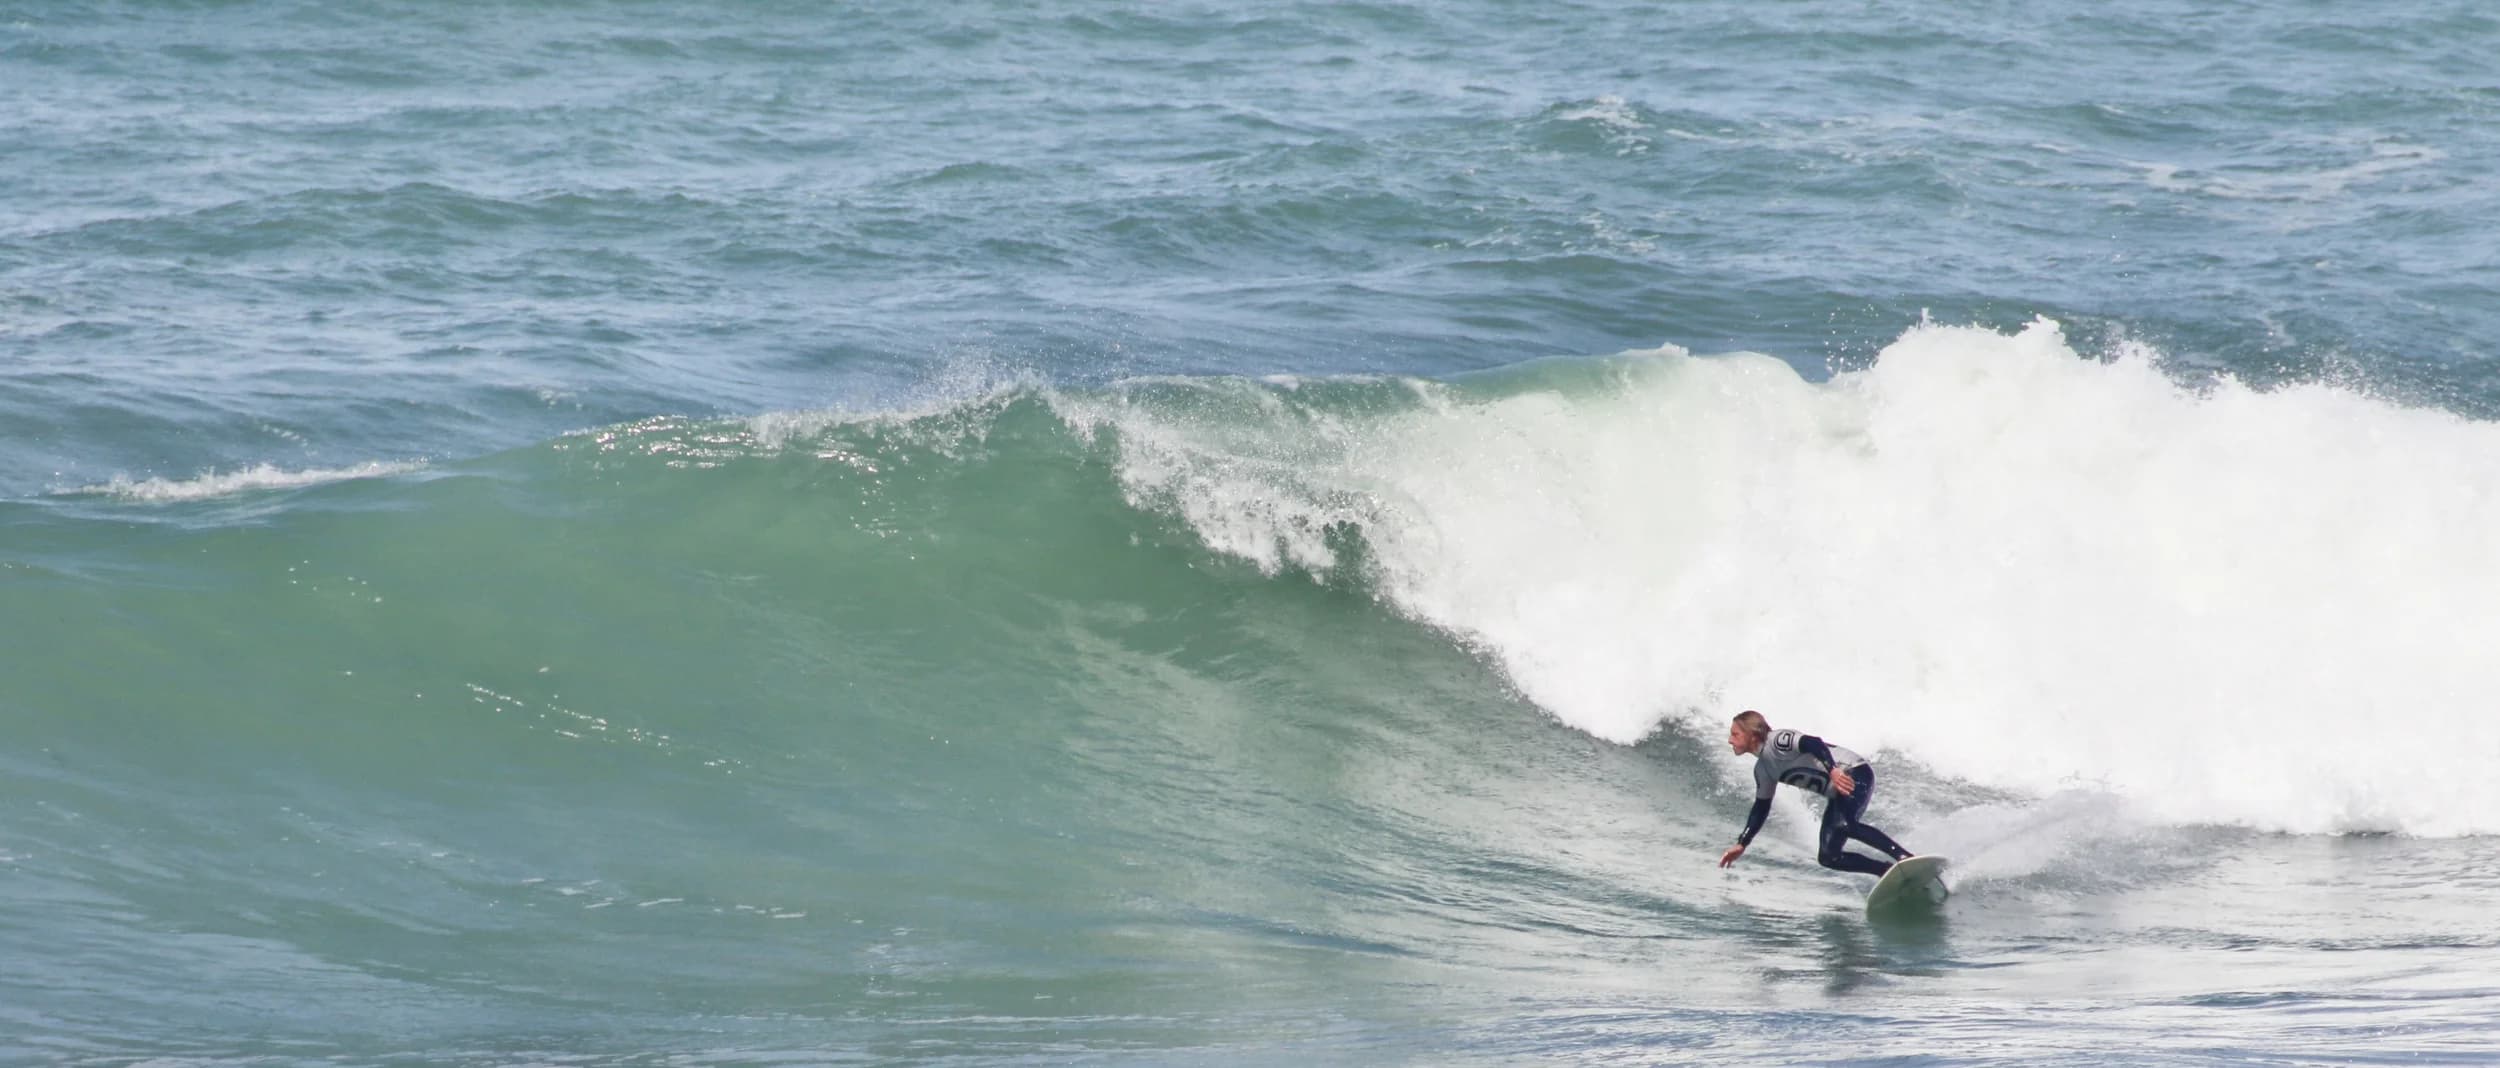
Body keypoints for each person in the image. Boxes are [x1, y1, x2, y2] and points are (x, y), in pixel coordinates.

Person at [1716, 709, 1913, 878]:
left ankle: (1904, 857)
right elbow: (1761, 807)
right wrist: (1742, 843)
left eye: (1735, 734)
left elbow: (1814, 743)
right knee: (1828, 856)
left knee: (1844, 825)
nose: (1730, 740)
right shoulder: (1763, 770)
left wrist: (1833, 770)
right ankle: (1885, 871)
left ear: (1752, 735)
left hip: (1854, 771)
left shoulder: (1778, 741)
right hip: (1837, 792)